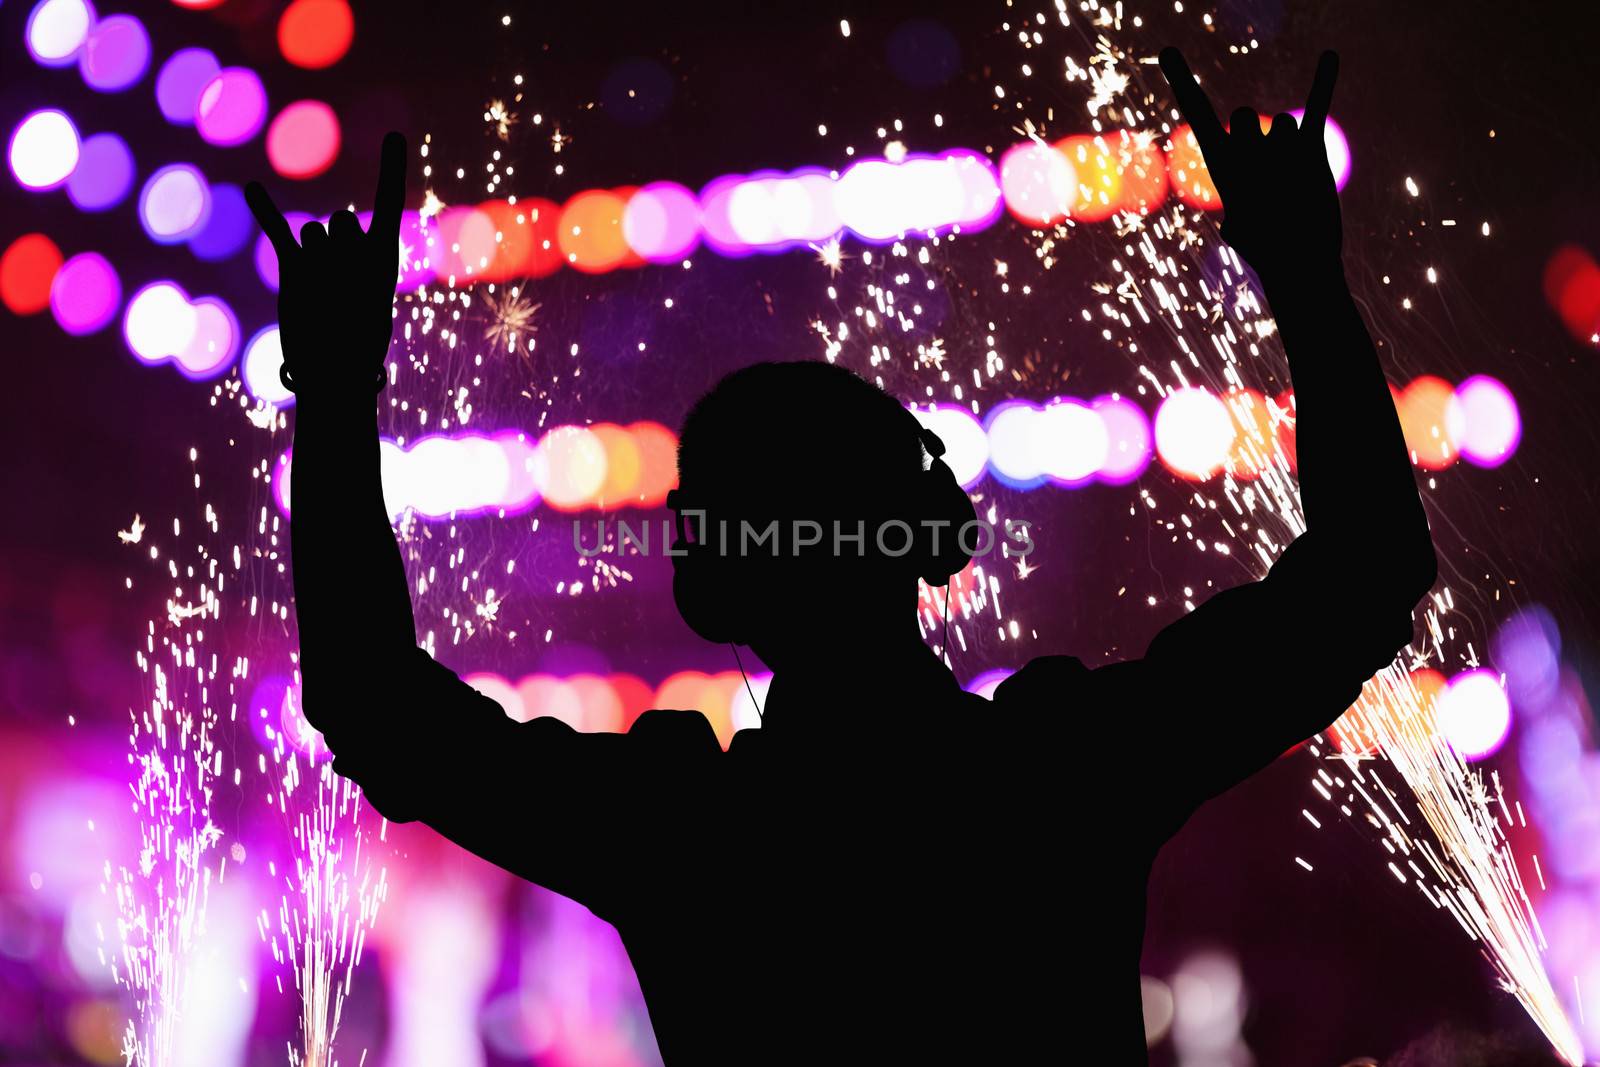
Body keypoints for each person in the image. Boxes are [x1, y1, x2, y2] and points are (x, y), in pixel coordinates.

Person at [245, 46, 1437, 1064]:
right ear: (920, 533)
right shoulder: (1066, 768)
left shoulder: (687, 833)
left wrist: (338, 393)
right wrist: (1305, 283)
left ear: (709, 580)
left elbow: (371, 699)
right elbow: (1368, 570)